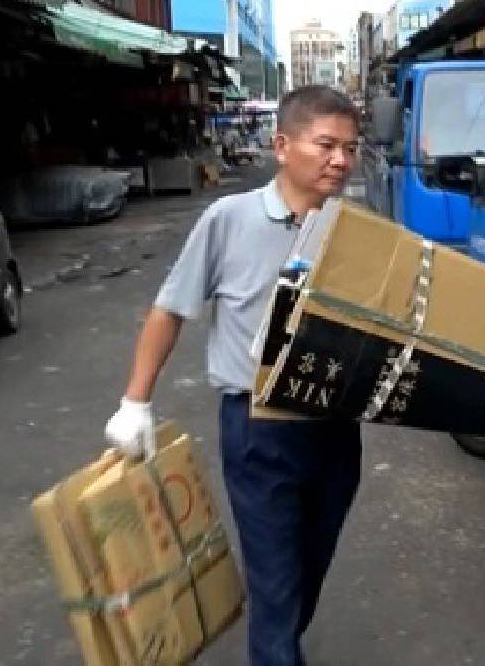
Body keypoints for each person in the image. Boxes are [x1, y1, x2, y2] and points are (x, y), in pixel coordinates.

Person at [105, 85, 363, 666]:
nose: (340, 161)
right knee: (275, 590)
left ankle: (279, 646)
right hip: (259, 428)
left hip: (335, 427)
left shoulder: (355, 228)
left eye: (350, 148)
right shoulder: (229, 218)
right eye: (326, 145)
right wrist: (135, 402)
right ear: (282, 146)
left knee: (304, 575)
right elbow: (170, 308)